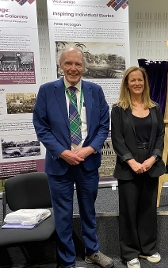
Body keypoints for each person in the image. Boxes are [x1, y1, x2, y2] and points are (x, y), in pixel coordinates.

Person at [33, 47, 114, 268]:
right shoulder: (47, 91)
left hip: (88, 163)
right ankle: (67, 261)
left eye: (78, 64)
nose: (73, 68)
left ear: (84, 67)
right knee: (63, 215)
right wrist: (62, 152)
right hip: (60, 165)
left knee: (89, 211)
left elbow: (103, 126)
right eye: (68, 63)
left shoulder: (95, 91)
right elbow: (41, 127)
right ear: (61, 65)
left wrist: (89, 150)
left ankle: (92, 252)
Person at [111, 66, 166, 268]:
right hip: (129, 165)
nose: (136, 83)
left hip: (151, 164)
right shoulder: (118, 109)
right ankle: (130, 252)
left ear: (145, 83)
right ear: (126, 83)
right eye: (132, 80)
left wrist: (153, 158)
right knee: (129, 209)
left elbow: (161, 135)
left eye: (140, 80)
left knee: (148, 208)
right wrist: (131, 161)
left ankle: (148, 248)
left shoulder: (155, 107)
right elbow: (116, 139)